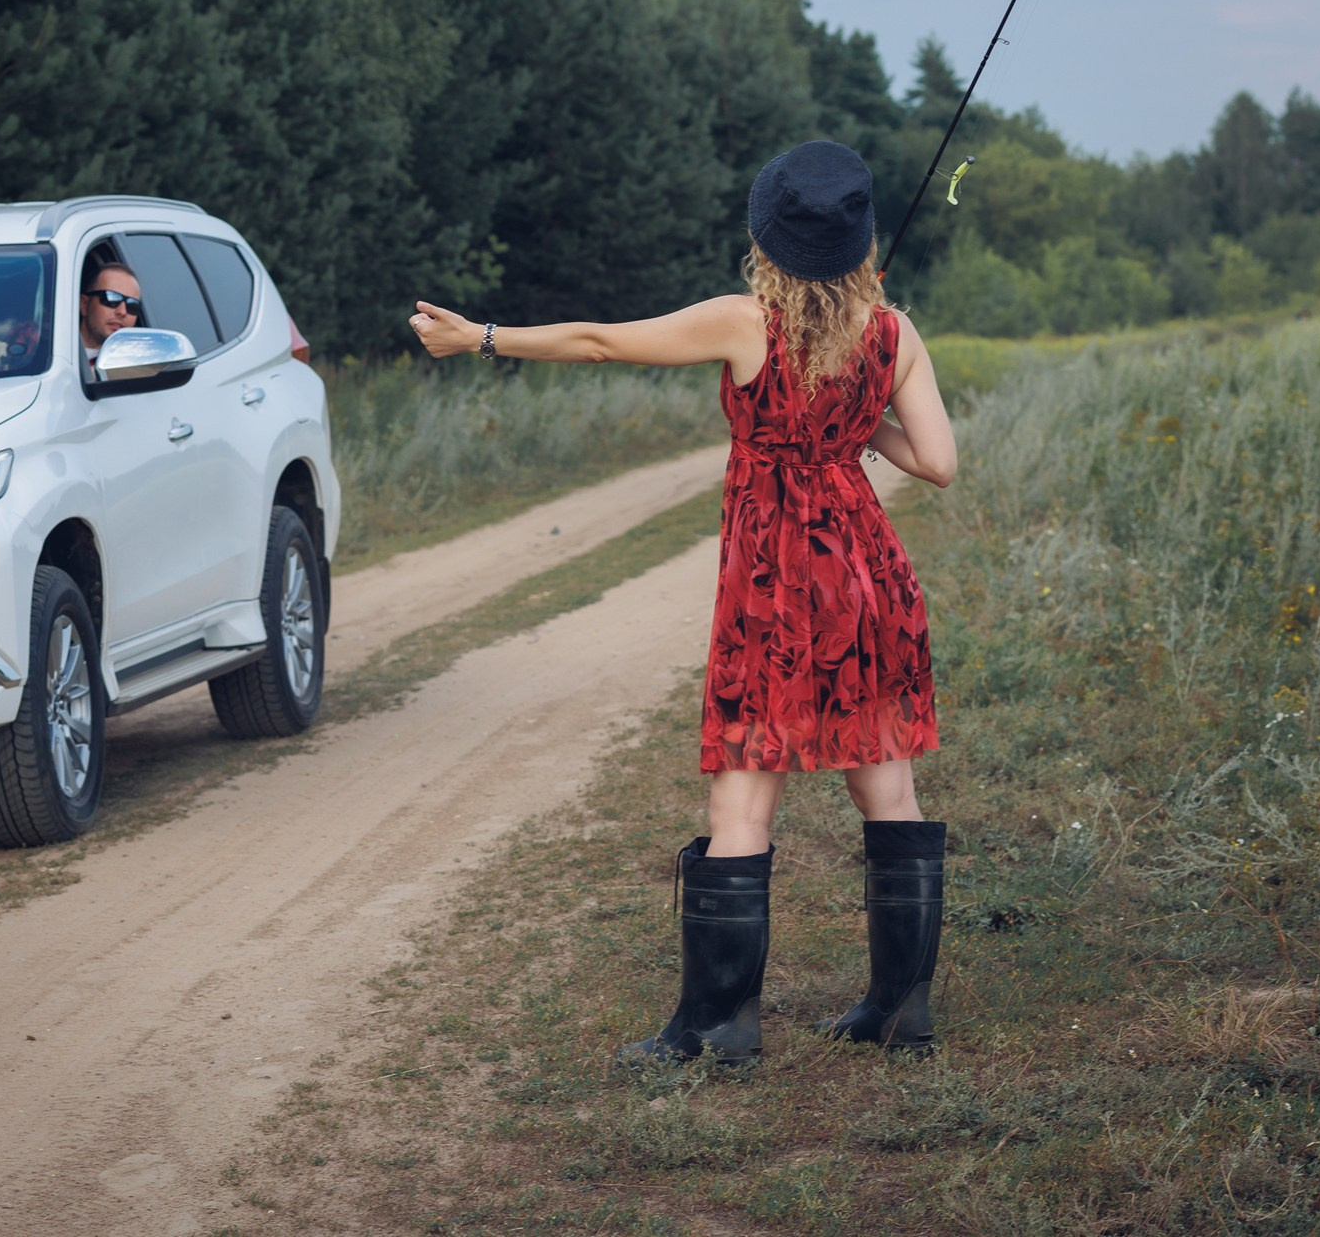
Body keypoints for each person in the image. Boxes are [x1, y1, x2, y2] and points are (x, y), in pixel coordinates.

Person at [410, 141, 958, 1064]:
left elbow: (599, 342)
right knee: (888, 786)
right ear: (860, 243)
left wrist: (482, 338)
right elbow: (937, 463)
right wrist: (862, 418)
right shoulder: (896, 334)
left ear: (770, 240)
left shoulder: (745, 323)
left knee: (743, 801)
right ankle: (900, 1011)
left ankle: (716, 1025)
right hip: (868, 580)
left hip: (776, 588)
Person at [79, 258, 144, 365]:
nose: (122, 312)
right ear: (84, 304)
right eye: (112, 299)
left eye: (132, 305)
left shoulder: (137, 367)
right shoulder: (49, 351)